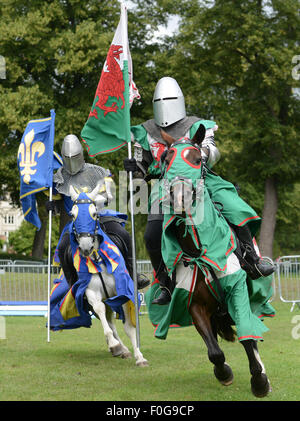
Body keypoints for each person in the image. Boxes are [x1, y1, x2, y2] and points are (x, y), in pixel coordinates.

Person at [124, 77, 275, 305]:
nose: (165, 105)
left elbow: (213, 151)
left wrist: (199, 155)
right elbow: (141, 172)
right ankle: (166, 283)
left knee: (235, 208)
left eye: (170, 100)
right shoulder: (145, 132)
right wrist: (133, 168)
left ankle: (251, 259)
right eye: (161, 100)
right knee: (151, 236)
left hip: (203, 183)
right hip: (164, 189)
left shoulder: (196, 125)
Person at [47, 134, 149, 290]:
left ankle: (133, 274)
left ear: (80, 155)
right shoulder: (59, 178)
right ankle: (71, 284)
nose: (72, 161)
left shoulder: (97, 172)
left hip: (100, 217)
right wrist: (52, 206)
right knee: (62, 248)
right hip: (76, 224)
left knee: (124, 235)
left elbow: (109, 195)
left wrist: (95, 201)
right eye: (68, 158)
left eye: (74, 157)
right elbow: (56, 200)